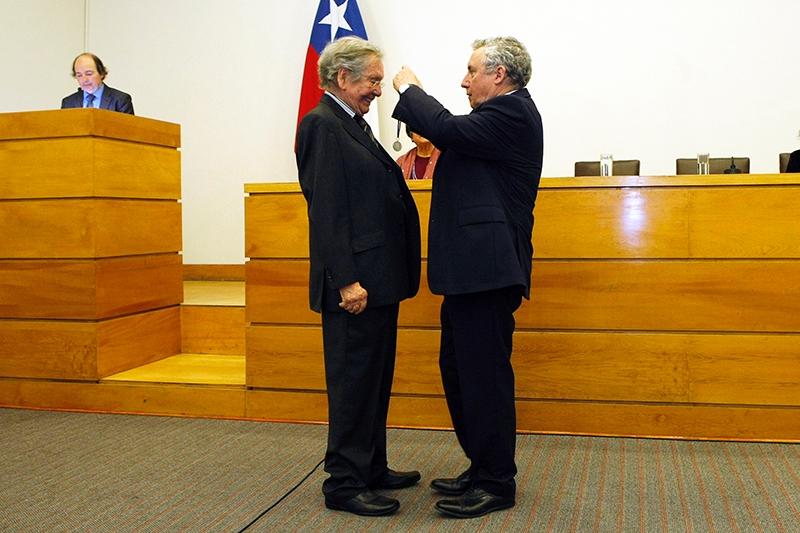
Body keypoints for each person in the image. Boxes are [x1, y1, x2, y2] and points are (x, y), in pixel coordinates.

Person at [392, 36, 543, 519]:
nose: (464, 80)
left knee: (485, 377)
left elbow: (444, 128)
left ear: (499, 74)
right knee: (460, 373)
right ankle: (482, 466)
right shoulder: (491, 118)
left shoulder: (514, 113)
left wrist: (409, 90)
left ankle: (497, 482)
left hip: (488, 272)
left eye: (471, 70)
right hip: (468, 273)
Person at [295, 36, 422, 517]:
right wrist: (346, 280)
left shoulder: (354, 124)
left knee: (374, 378)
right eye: (371, 80)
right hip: (355, 286)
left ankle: (371, 465)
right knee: (352, 383)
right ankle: (345, 482)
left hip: (379, 282)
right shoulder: (321, 125)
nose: (376, 89)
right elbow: (327, 212)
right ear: (342, 77)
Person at [61, 53, 134, 114]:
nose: (84, 80)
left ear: (101, 73)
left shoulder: (120, 100)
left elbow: (128, 130)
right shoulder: (68, 103)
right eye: (79, 75)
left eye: (89, 74)